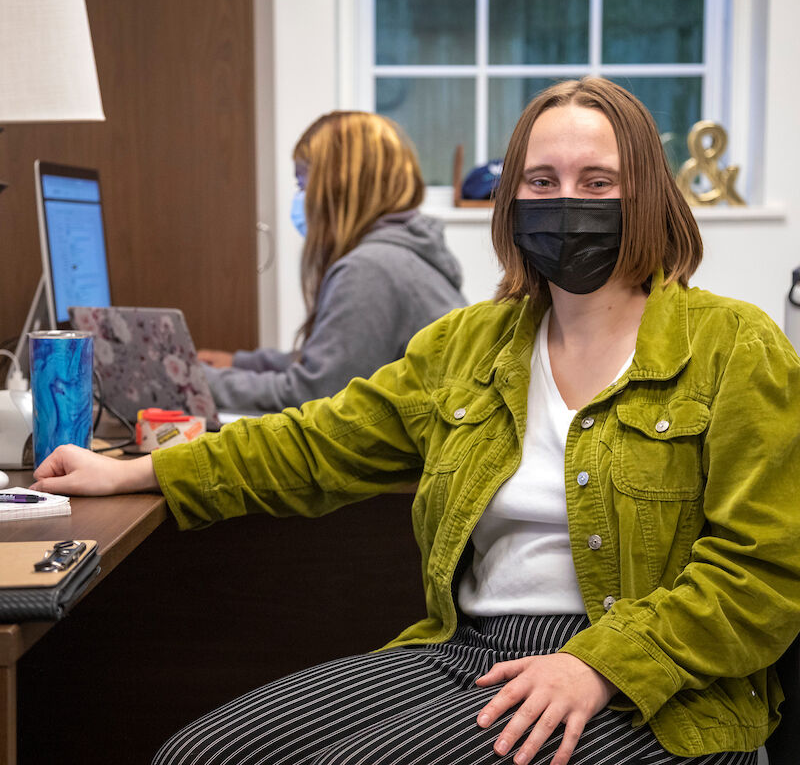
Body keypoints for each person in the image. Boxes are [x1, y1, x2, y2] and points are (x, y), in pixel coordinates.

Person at [32, 78, 800, 765]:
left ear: (649, 199)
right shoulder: (469, 345)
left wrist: (601, 663)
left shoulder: (734, 346)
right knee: (194, 753)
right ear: (513, 203)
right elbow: (317, 441)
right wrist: (140, 468)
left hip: (657, 689)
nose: (568, 202)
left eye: (598, 182)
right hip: (469, 650)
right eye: (542, 180)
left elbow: (764, 574)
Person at [196, 111, 466, 413]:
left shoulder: (371, 270)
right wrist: (243, 363)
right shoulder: (400, 255)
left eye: (302, 184)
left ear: (338, 187)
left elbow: (315, 396)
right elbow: (338, 359)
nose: (300, 199)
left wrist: (193, 382)